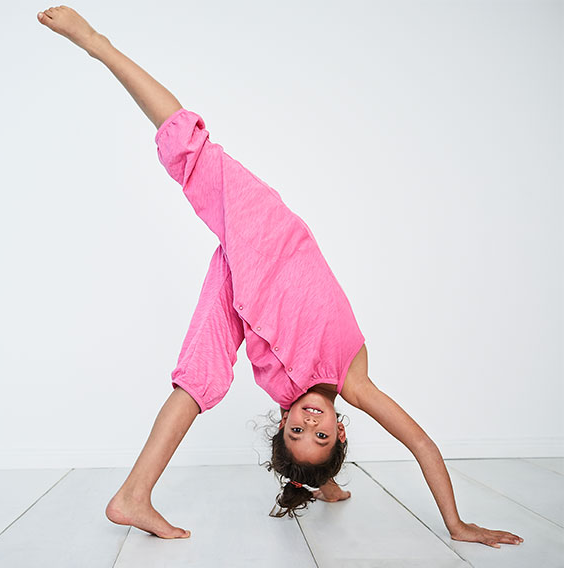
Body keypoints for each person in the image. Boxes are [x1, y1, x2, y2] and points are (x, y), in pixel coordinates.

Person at [36, 6, 524, 548]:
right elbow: (423, 445)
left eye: (296, 431)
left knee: (198, 380)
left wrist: (315, 477)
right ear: (341, 430)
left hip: (244, 284)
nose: (308, 420)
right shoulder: (354, 383)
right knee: (194, 154)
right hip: (269, 240)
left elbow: (311, 446)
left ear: (283, 422)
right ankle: (96, 42)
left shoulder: (283, 388)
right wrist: (455, 524)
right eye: (320, 432)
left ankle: (132, 495)